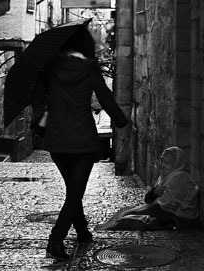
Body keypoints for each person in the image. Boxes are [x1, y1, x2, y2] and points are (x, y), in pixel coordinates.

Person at [31, 27, 130, 261]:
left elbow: (36, 101)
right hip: (83, 139)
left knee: (73, 190)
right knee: (75, 193)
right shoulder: (89, 68)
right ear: (84, 44)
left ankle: (83, 231)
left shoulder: (49, 68)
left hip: (56, 139)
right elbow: (105, 97)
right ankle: (55, 240)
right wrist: (121, 120)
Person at [98, 146, 200, 231]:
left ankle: (104, 230)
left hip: (175, 220)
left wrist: (141, 211)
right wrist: (154, 192)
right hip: (162, 214)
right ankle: (104, 228)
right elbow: (148, 200)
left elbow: (167, 208)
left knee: (127, 219)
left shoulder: (179, 178)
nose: (162, 165)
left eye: (166, 163)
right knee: (125, 211)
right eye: (162, 161)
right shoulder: (165, 177)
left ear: (176, 163)